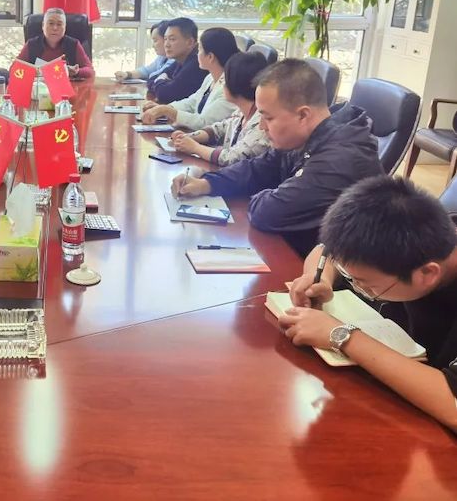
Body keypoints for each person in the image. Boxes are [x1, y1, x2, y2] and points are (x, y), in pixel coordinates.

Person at [281, 176, 457, 433]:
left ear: (427, 274)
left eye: (367, 285)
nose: (358, 285)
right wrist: (320, 277)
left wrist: (340, 335)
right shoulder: (411, 234)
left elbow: (453, 406)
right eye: (349, 276)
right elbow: (327, 251)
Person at [171, 58, 382, 257]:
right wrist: (207, 183)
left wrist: (271, 192)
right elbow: (259, 167)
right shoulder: (308, 136)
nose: (262, 126)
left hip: (321, 270)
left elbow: (268, 213)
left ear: (303, 115)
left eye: (268, 118)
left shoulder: (339, 159)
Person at [168, 52, 271, 167]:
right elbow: (219, 129)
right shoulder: (241, 112)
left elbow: (233, 158)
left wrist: (195, 148)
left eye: (225, 79)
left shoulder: (262, 123)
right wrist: (189, 137)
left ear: (237, 83)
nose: (221, 82)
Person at [141, 27, 239, 130]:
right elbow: (192, 102)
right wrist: (165, 108)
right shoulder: (210, 77)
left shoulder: (230, 87)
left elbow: (204, 122)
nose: (197, 54)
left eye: (199, 50)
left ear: (210, 57)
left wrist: (167, 111)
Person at [17, 8, 95, 79]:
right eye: (51, 23)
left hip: (66, 88)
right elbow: (14, 69)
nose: (55, 28)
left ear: (65, 27)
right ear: (43, 25)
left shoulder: (74, 44)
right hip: (39, 87)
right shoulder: (31, 44)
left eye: (59, 24)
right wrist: (32, 71)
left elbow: (90, 71)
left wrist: (77, 72)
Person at [145, 17, 209, 103]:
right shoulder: (179, 60)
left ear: (190, 42)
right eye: (165, 39)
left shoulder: (196, 64)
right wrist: (163, 82)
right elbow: (151, 80)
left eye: (172, 39)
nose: (166, 45)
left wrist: (160, 80)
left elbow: (165, 95)